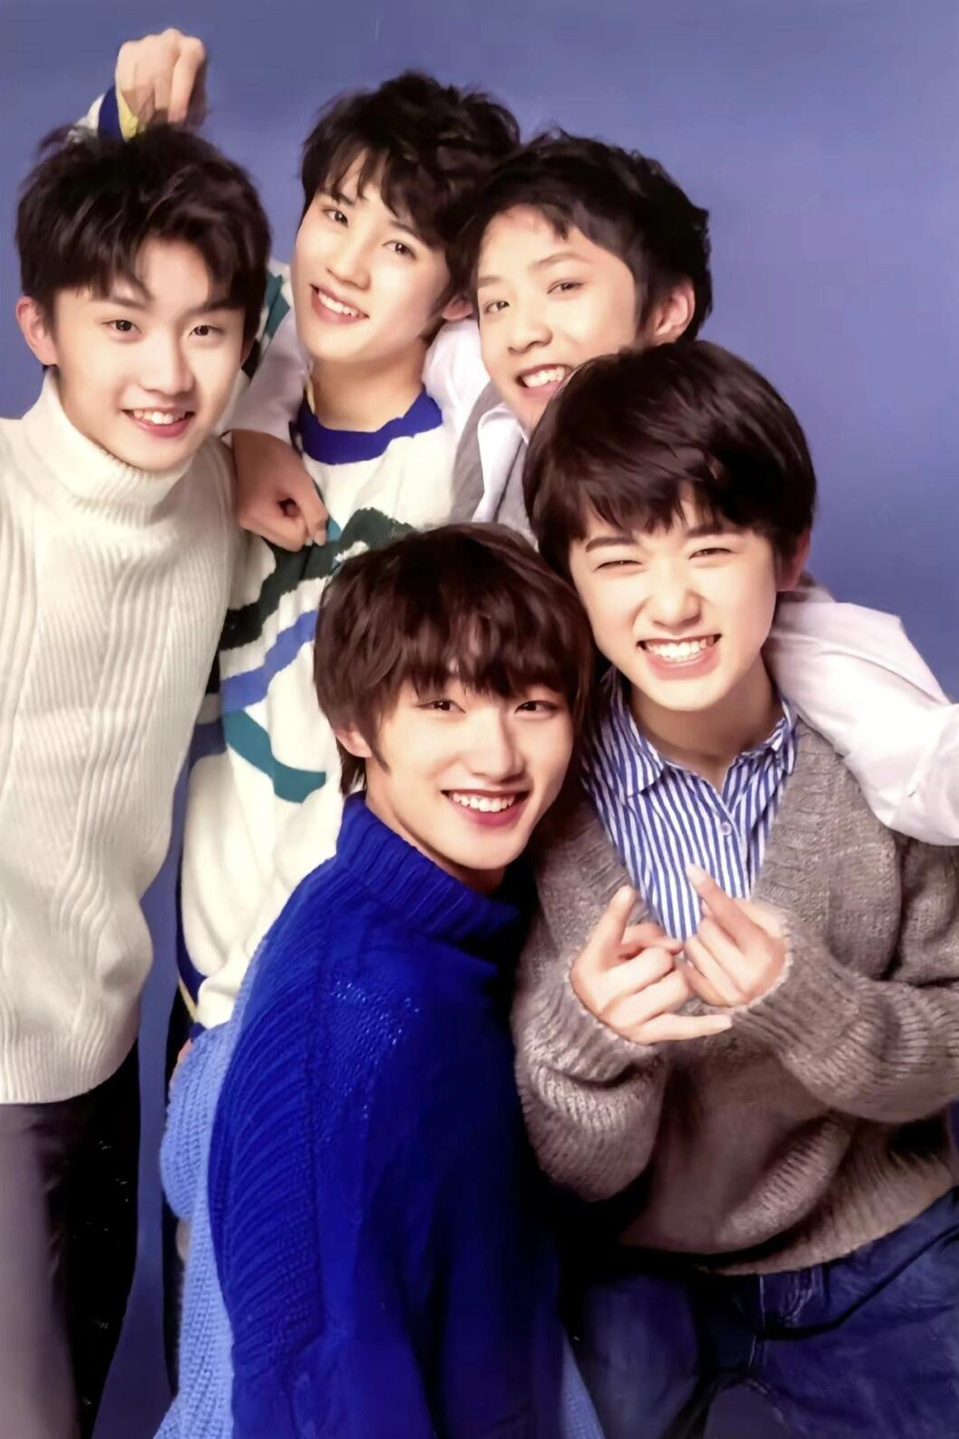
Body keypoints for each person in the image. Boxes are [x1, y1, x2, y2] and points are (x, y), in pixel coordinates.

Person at [514, 340, 959, 1439]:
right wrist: (588, 1041)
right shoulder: (537, 797)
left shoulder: (887, 763)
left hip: (872, 1233)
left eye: (710, 548)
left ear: (788, 553)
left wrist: (811, 1005)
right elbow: (569, 1168)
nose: (670, 602)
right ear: (566, 578)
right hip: (627, 1258)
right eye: (617, 559)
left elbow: (949, 1037)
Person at [90, 29, 522, 1032]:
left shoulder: (459, 490)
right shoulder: (205, 400)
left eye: (400, 246)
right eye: (334, 213)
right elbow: (103, 286)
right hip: (204, 974)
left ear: (457, 294)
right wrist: (130, 129)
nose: (348, 264)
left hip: (361, 979)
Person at [158, 524, 609, 1438]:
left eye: (532, 704)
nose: (496, 757)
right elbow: (316, 1394)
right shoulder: (367, 1015)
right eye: (442, 704)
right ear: (353, 725)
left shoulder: (409, 914)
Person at [0, 122, 269, 1438]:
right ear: (38, 328)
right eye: (119, 325)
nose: (167, 373)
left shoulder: (215, 485)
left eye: (206, 331)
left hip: (104, 1050)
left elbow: (351, 315)